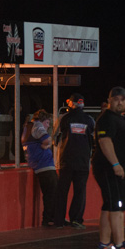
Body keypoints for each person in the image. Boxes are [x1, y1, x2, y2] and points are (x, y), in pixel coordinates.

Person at [92, 87, 125, 249]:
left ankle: (104, 243)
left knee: (109, 205)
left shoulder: (118, 119)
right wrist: (115, 164)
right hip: (111, 170)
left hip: (116, 169)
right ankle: (120, 245)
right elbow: (105, 141)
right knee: (117, 207)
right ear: (109, 101)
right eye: (116, 99)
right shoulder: (107, 118)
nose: (119, 102)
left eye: (122, 99)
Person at [52, 93, 96, 229]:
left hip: (66, 160)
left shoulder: (63, 118)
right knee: (80, 192)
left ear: (71, 103)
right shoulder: (90, 120)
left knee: (62, 191)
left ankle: (59, 220)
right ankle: (76, 219)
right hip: (83, 162)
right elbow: (94, 140)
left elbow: (55, 138)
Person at [23, 109, 57, 227]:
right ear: (42, 120)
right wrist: (46, 144)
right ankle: (49, 219)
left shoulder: (28, 127)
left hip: (38, 164)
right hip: (44, 165)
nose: (48, 126)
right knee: (52, 193)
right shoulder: (37, 126)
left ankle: (51, 217)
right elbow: (47, 139)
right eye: (47, 123)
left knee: (50, 193)